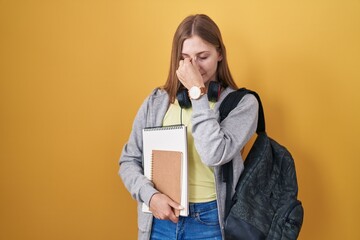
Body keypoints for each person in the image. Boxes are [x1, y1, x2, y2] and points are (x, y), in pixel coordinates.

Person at [119, 14, 258, 240]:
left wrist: (197, 92)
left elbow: (214, 154)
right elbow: (128, 160)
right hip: (160, 221)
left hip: (211, 221)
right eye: (185, 58)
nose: (193, 66)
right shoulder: (157, 101)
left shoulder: (242, 104)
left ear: (220, 54)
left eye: (203, 56)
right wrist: (151, 197)